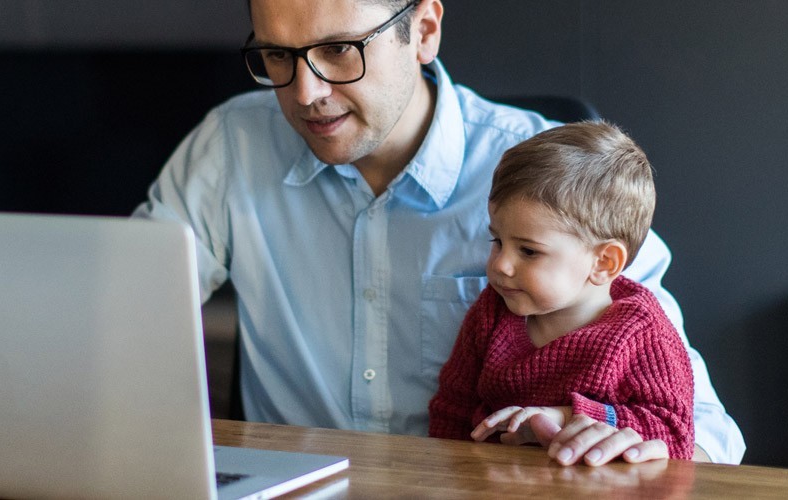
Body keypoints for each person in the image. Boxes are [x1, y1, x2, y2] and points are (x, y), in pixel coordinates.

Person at [133, 0, 746, 464]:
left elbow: (709, 434)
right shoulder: (232, 145)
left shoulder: (556, 189)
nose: (306, 93)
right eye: (277, 56)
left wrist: (620, 439)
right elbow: (113, 320)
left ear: (423, 30)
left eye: (341, 50)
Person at [427, 121, 693, 466]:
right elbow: (452, 409)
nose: (500, 265)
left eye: (529, 251)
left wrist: (568, 417)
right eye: (498, 242)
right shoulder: (491, 313)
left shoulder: (643, 334)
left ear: (604, 262)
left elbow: (674, 435)